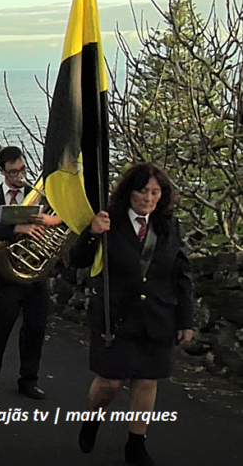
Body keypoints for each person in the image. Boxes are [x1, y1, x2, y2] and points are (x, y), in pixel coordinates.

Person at [70, 163, 193, 466]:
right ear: (129, 191)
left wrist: (186, 320)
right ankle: (93, 417)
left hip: (157, 316)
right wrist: (92, 233)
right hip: (116, 316)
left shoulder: (168, 225)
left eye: (155, 191)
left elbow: (181, 275)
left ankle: (136, 443)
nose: (148, 198)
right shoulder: (108, 220)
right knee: (110, 383)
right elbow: (78, 260)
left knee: (147, 381)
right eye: (142, 190)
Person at [0, 146, 62, 400]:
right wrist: (17, 229)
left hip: (36, 273)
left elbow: (62, 219)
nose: (19, 176)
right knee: (1, 326)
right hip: (6, 275)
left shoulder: (38, 197)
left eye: (22, 170)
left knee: (35, 328)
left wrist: (47, 223)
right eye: (13, 172)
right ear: (2, 171)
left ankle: (29, 379)